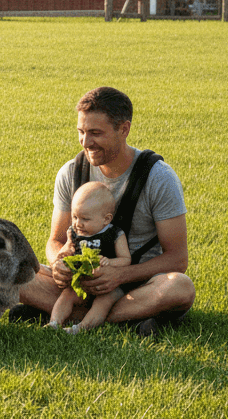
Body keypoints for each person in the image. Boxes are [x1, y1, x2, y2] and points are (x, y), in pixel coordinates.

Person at [14, 86, 195, 336]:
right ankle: (129, 319)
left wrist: (119, 276)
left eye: (95, 133)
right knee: (9, 270)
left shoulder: (158, 177)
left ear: (124, 129)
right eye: (81, 132)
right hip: (80, 284)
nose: (86, 142)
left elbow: (177, 259)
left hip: (136, 286)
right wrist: (59, 264)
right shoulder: (71, 172)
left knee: (180, 288)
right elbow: (55, 240)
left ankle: (67, 314)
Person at [47, 182, 131, 334]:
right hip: (81, 282)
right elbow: (66, 250)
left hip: (107, 286)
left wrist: (110, 262)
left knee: (103, 302)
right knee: (67, 295)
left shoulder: (115, 234)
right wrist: (63, 257)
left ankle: (81, 328)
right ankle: (54, 323)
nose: (78, 223)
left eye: (85, 219)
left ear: (106, 219)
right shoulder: (73, 232)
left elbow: (126, 260)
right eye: (75, 216)